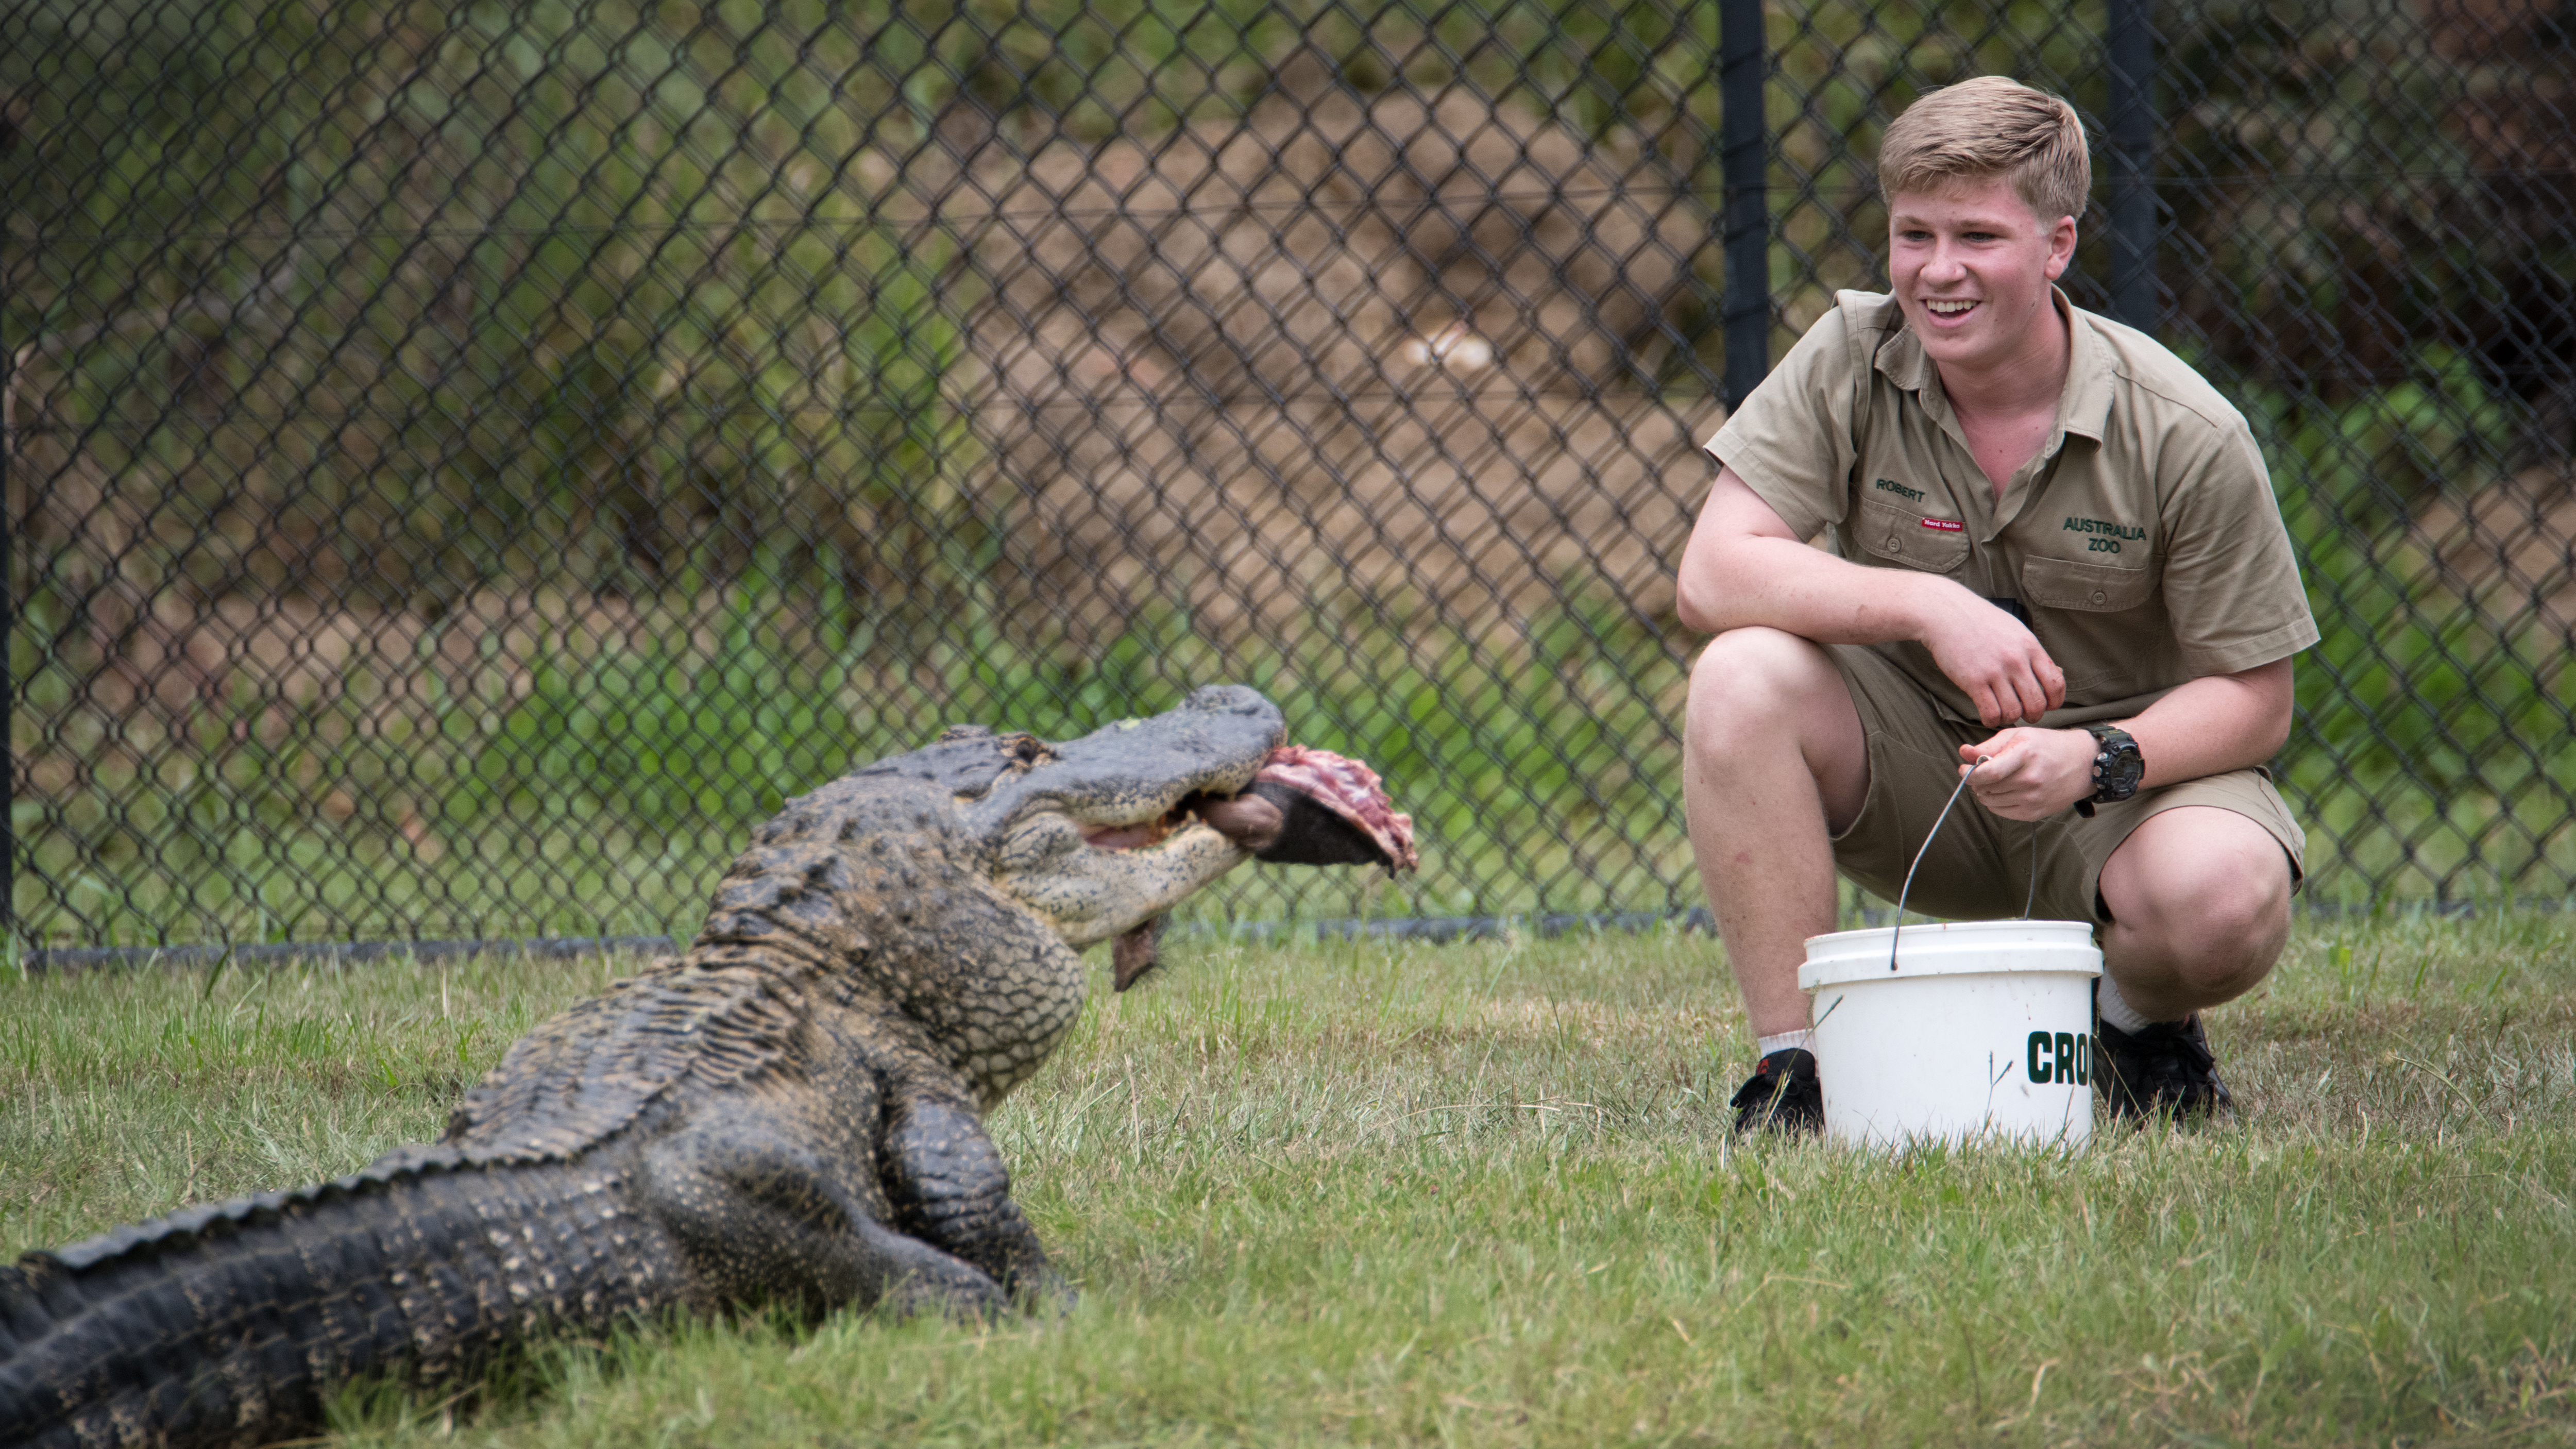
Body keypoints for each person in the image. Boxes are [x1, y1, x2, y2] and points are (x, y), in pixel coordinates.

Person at [1676, 76, 2318, 1132]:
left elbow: (2256, 700)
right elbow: (1714, 573)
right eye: (1911, 234)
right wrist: (1927, 604)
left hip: (2120, 798)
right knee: (1738, 675)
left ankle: (2127, 1028)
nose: (1937, 271)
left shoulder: (2185, 431)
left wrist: (2097, 757)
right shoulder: (1848, 355)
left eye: (1977, 235)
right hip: (1920, 775)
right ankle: (1795, 1075)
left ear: (2057, 244)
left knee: (2224, 893)